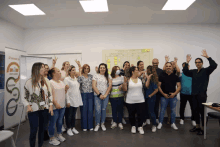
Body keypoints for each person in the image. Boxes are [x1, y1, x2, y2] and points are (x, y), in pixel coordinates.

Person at [183, 50, 217, 135]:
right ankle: (197, 126)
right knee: (195, 111)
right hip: (193, 95)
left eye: (199, 62)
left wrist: (207, 57)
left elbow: (214, 65)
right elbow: (185, 72)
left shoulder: (206, 71)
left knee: (202, 112)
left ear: (202, 63)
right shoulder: (194, 72)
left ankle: (203, 128)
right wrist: (187, 62)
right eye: (196, 62)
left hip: (201, 95)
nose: (197, 63)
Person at [22, 62, 53, 147]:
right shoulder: (29, 82)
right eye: (42, 67)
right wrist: (28, 106)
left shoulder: (46, 81)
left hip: (44, 109)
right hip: (33, 110)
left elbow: (50, 94)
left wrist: (50, 105)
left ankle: (40, 145)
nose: (44, 69)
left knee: (42, 130)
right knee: (33, 130)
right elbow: (24, 96)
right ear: (36, 69)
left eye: (44, 67)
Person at [48, 67, 69, 146]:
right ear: (53, 73)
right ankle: (52, 138)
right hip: (54, 106)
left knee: (60, 121)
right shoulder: (50, 82)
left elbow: (64, 92)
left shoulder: (61, 82)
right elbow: (49, 95)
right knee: (52, 123)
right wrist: (55, 103)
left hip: (62, 105)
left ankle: (59, 134)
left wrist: (66, 89)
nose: (60, 73)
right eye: (58, 71)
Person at [157, 62, 181, 130]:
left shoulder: (175, 76)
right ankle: (160, 123)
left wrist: (174, 94)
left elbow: (179, 87)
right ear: (165, 67)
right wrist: (163, 94)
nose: (168, 67)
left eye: (169, 66)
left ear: (172, 67)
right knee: (162, 110)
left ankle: (173, 123)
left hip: (173, 97)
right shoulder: (161, 75)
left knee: (173, 111)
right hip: (163, 96)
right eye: (167, 66)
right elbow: (158, 86)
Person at [122, 66, 145, 135]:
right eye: (137, 70)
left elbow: (146, 86)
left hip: (140, 100)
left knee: (140, 114)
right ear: (133, 72)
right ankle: (133, 126)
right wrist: (124, 82)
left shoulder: (141, 79)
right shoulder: (128, 80)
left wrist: (147, 77)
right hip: (130, 100)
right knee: (131, 115)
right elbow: (125, 89)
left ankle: (140, 127)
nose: (138, 71)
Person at [92, 63, 112, 131]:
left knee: (103, 110)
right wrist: (99, 94)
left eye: (104, 67)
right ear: (99, 68)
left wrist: (105, 95)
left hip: (106, 95)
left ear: (106, 69)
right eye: (101, 67)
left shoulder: (108, 76)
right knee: (97, 110)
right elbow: (94, 86)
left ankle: (102, 123)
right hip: (97, 96)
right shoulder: (95, 76)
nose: (102, 69)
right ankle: (97, 124)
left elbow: (110, 86)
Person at [64, 64, 83, 136]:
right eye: (72, 70)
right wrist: (68, 101)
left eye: (75, 70)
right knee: (69, 115)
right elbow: (66, 91)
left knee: (73, 115)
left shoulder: (76, 78)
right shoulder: (66, 79)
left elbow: (77, 89)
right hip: (70, 100)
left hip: (76, 99)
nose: (74, 71)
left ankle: (73, 127)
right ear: (69, 72)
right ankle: (68, 128)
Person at [163, 56, 180, 124]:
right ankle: (169, 118)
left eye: (172, 65)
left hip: (173, 93)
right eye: (170, 64)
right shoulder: (165, 73)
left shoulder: (175, 74)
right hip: (166, 93)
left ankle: (172, 120)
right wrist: (166, 61)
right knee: (167, 108)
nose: (171, 66)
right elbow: (164, 69)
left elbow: (178, 71)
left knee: (172, 108)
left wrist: (175, 63)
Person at [78, 64, 94, 131]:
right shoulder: (80, 77)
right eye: (85, 68)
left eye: (87, 68)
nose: (86, 70)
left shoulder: (91, 76)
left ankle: (90, 126)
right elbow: (78, 84)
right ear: (83, 69)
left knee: (90, 110)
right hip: (83, 94)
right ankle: (84, 126)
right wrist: (79, 70)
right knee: (84, 110)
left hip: (90, 94)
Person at [143, 66, 159, 132]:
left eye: (147, 70)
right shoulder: (146, 78)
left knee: (151, 112)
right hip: (145, 97)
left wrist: (150, 95)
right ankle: (146, 122)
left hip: (151, 98)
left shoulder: (153, 79)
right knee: (146, 111)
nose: (146, 71)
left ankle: (154, 125)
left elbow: (156, 90)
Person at [152, 58, 163, 124]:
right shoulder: (149, 70)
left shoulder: (161, 71)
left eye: (156, 63)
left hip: (158, 91)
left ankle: (156, 118)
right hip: (150, 91)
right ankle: (148, 119)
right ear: (152, 63)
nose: (155, 64)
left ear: (158, 63)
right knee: (149, 105)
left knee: (156, 106)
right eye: (154, 63)